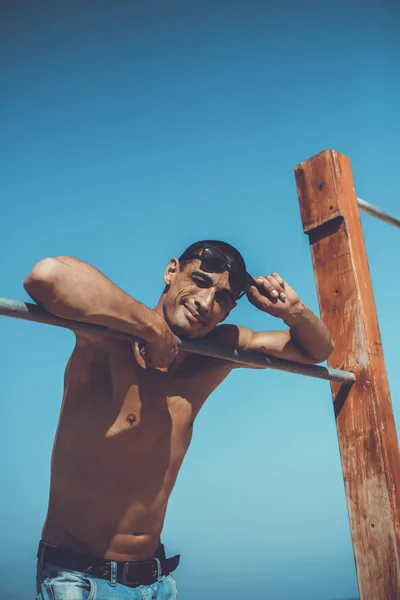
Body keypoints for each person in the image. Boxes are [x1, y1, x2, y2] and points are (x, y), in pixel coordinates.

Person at [25, 240, 334, 600]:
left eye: (221, 299)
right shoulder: (107, 339)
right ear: (172, 271)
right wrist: (151, 328)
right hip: (79, 580)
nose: (205, 303)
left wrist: (294, 311)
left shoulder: (214, 353)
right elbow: (46, 276)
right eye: (200, 281)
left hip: (156, 584)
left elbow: (317, 351)